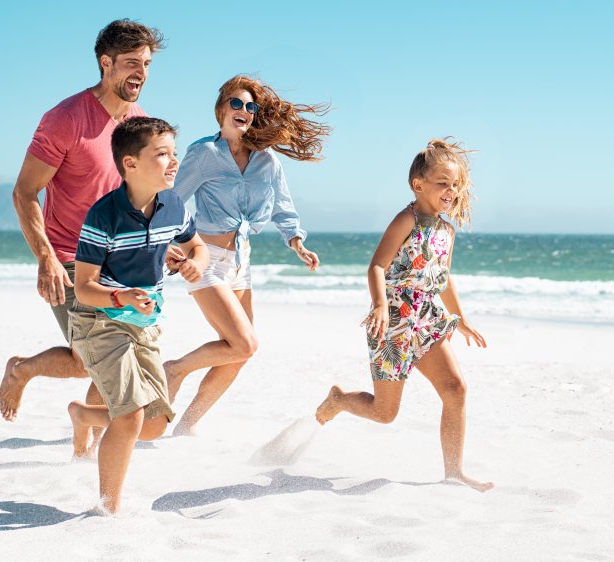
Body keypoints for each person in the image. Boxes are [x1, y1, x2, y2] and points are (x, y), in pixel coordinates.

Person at [0, 19, 164, 423]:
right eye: (130, 63)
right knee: (97, 356)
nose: (140, 73)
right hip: (72, 258)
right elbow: (24, 192)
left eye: (145, 63)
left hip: (120, 258)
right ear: (105, 63)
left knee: (102, 353)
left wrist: (161, 242)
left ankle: (85, 431)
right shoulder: (65, 118)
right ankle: (23, 372)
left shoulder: (138, 121)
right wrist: (46, 258)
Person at [314, 138, 493, 492]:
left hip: (426, 318)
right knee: (385, 413)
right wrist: (380, 305)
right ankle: (339, 400)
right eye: (443, 183)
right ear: (419, 185)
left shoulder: (446, 230)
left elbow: (441, 279)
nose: (451, 191)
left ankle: (454, 471)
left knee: (455, 389)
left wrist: (462, 317)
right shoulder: (405, 220)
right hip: (393, 322)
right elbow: (377, 266)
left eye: (455, 185)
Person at [164, 75, 328, 435]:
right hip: (205, 258)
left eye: (250, 106)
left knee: (241, 352)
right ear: (221, 109)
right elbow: (170, 200)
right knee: (243, 342)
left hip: (241, 263)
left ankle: (187, 425)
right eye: (236, 104)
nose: (243, 111)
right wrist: (165, 243)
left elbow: (284, 207)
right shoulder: (204, 154)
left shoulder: (266, 161)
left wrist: (296, 242)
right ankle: (174, 369)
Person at [67, 117, 208, 514]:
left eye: (174, 153)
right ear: (129, 164)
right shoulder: (103, 216)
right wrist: (122, 296)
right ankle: (106, 509)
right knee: (129, 417)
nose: (173, 162)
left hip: (145, 323)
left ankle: (83, 415)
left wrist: (196, 261)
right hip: (100, 319)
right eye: (161, 154)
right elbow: (84, 286)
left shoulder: (174, 205)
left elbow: (198, 247)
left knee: (155, 424)